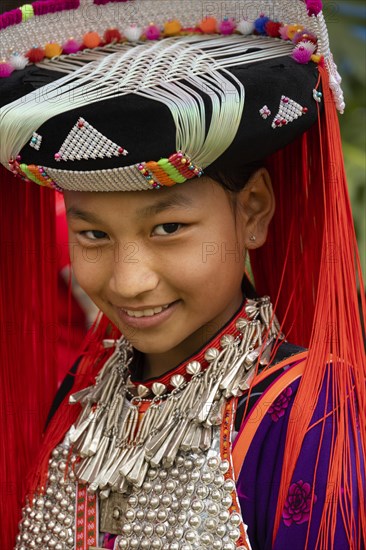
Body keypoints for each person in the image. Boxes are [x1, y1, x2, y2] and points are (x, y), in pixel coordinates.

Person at [0, 1, 364, 549]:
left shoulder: (309, 411)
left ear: (254, 211)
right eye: (93, 235)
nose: (129, 282)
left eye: (168, 228)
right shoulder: (84, 388)